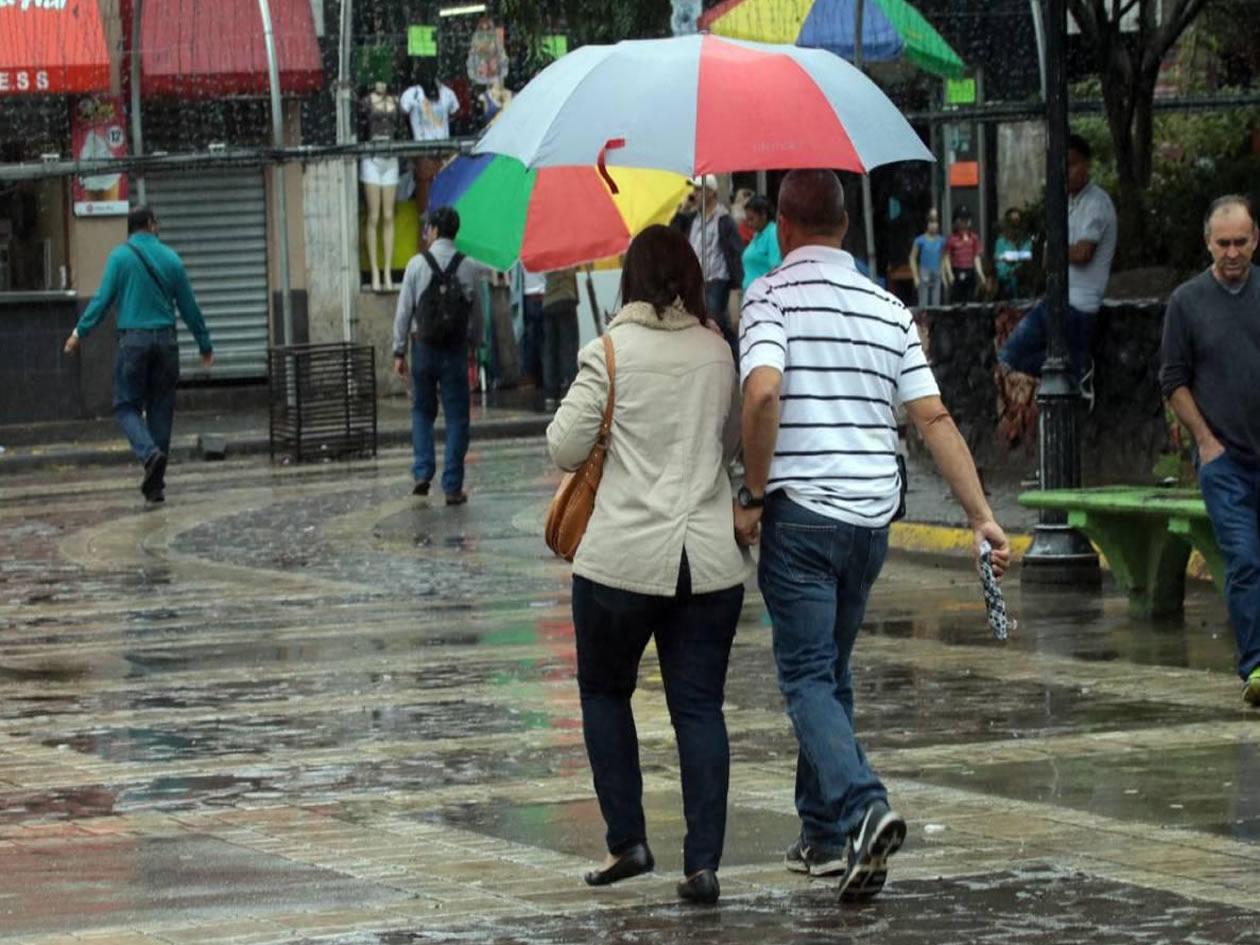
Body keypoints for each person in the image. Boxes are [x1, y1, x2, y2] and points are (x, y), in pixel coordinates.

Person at [736, 170, 1010, 901]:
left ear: (783, 230)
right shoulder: (887, 307)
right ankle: (825, 834)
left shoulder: (769, 297)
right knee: (831, 670)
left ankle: (863, 804)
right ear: (845, 229)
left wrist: (754, 492)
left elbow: (762, 392)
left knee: (804, 677)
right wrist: (981, 514)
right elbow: (934, 419)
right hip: (869, 522)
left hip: (800, 518)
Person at [547, 225, 747, 906]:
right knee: (699, 708)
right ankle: (704, 863)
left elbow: (564, 446)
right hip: (708, 563)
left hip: (620, 564)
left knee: (606, 692)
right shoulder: (719, 352)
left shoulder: (608, 351)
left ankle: (627, 838)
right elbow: (727, 447)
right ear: (691, 278)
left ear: (630, 280)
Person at [1161, 195, 1260, 707]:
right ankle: (1256, 666)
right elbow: (1173, 381)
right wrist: (1206, 441)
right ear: (1208, 243)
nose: (1232, 252)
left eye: (1241, 242)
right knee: (1244, 559)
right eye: (1223, 243)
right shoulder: (1188, 302)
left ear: (1255, 240)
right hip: (1225, 461)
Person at [62, 206, 213, 503]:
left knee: (125, 404)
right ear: (151, 224)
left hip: (134, 342)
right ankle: (155, 487)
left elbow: (103, 300)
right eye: (157, 222)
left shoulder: (120, 258)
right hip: (167, 342)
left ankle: (148, 454)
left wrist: (79, 333)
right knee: (160, 409)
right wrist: (204, 344)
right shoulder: (171, 258)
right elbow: (189, 307)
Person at [998, 134, 1117, 379]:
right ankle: (1077, 366)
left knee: (1015, 354)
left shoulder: (1096, 203)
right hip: (1058, 300)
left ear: (1086, 164)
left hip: (1078, 304)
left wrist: (1055, 254)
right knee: (1012, 355)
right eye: (1062, 166)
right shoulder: (1067, 203)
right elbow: (1047, 259)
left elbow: (1083, 252)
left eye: (1072, 164)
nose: (1067, 172)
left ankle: (1078, 366)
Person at [392, 207, 485, 504]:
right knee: (457, 418)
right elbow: (477, 313)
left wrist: (399, 351)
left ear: (432, 230)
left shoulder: (416, 265)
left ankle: (422, 472)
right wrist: (476, 345)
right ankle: (453, 487)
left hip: (424, 349)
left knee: (422, 411)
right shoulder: (469, 266)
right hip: (455, 351)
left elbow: (404, 311)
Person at [671, 174, 744, 350]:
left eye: (698, 189)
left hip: (717, 278)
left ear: (710, 192)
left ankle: (733, 353)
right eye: (694, 189)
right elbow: (672, 234)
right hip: (695, 280)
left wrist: (737, 282)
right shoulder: (692, 219)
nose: (694, 193)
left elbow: (735, 251)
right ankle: (731, 351)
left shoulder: (723, 220)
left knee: (714, 320)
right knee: (703, 322)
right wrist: (682, 211)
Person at [541, 266, 581, 410]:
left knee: (550, 350)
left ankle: (550, 394)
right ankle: (571, 389)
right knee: (568, 348)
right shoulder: (567, 256)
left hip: (548, 302)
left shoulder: (547, 254)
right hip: (566, 298)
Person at [943, 206, 984, 304]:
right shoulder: (952, 239)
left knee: (971, 296)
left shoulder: (974, 238)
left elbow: (976, 257)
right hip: (957, 270)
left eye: (967, 219)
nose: (964, 222)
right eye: (961, 219)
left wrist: (980, 273)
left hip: (970, 270)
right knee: (957, 297)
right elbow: (947, 257)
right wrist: (949, 273)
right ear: (956, 221)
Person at [741, 195, 782, 291]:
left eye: (752, 219)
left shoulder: (772, 233)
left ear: (763, 215)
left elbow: (776, 268)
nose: (749, 224)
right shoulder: (757, 235)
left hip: (763, 294)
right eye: (747, 220)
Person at [993, 208, 1033, 300]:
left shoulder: (1025, 241)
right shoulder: (1001, 242)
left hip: (1023, 280)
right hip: (1006, 281)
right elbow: (999, 264)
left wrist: (1006, 257)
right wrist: (1016, 259)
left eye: (1017, 222)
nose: (1015, 226)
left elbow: (1027, 256)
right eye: (1012, 222)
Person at [909, 208, 945, 308]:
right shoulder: (920, 240)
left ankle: (934, 322)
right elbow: (912, 258)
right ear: (927, 223)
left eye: (936, 222)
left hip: (937, 272)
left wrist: (945, 274)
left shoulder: (941, 241)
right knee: (923, 303)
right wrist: (915, 276)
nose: (933, 225)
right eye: (931, 222)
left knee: (936, 303)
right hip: (924, 272)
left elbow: (944, 258)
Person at [520, 265, 546, 390]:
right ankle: (545, 376)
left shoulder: (523, 249)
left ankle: (533, 376)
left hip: (529, 295)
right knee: (545, 339)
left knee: (531, 339)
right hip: (544, 294)